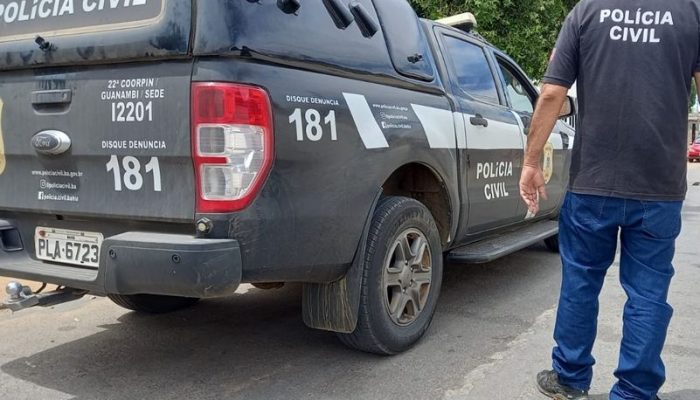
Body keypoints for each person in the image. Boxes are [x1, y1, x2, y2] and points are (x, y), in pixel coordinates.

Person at [519, 1, 700, 399]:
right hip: (659, 186)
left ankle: (569, 378)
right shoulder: (690, 11)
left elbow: (551, 93)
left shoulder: (587, 11)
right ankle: (635, 391)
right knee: (649, 292)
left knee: (581, 281)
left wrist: (531, 161)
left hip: (592, 182)